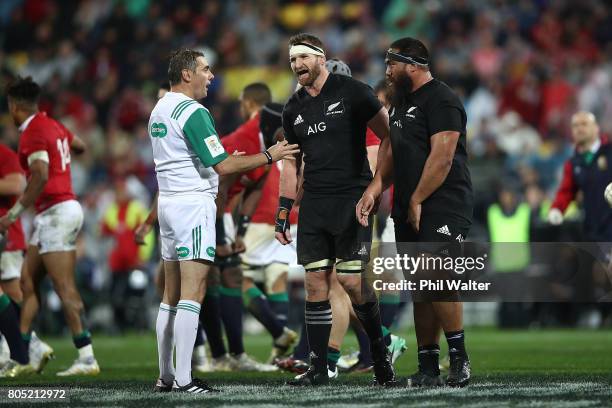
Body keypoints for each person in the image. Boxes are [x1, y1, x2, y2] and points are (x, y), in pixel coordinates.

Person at [150, 48, 297, 394]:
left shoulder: (160, 108)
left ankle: (166, 376)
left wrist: (223, 160)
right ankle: (185, 379)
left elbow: (193, 158)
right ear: (186, 74)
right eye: (205, 69)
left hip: (168, 203)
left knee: (170, 296)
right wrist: (268, 156)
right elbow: (222, 167)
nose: (211, 76)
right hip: (192, 206)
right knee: (193, 291)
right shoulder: (193, 111)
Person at [276, 34, 395, 386]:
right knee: (315, 285)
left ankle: (379, 351)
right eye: (291, 59)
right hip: (313, 204)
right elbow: (291, 166)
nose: (296, 64)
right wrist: (283, 213)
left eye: (302, 57)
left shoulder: (355, 92)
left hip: (352, 202)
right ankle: (318, 366)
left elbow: (389, 137)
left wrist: (374, 189)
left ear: (320, 58)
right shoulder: (292, 108)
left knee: (351, 281)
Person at [357, 37, 473, 387]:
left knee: (437, 276)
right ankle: (427, 365)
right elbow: (393, 151)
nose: (387, 71)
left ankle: (460, 359)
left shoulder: (443, 99)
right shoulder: (400, 101)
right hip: (410, 201)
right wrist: (377, 186)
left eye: (391, 64)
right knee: (420, 286)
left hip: (444, 201)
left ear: (413, 64)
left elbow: (443, 156)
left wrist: (418, 199)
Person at [0, 77, 98, 377]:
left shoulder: (32, 132)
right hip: (52, 213)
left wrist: (15, 212)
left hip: (57, 211)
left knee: (63, 286)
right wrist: (63, 155)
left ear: (14, 106)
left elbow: (40, 175)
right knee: (28, 282)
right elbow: (80, 146)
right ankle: (26, 352)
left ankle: (86, 356)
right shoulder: (53, 125)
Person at [0, 143, 31, 377]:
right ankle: (22, 351)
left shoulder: (3, 153)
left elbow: (18, 184)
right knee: (10, 291)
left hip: (6, 230)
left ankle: (25, 350)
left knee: (13, 291)